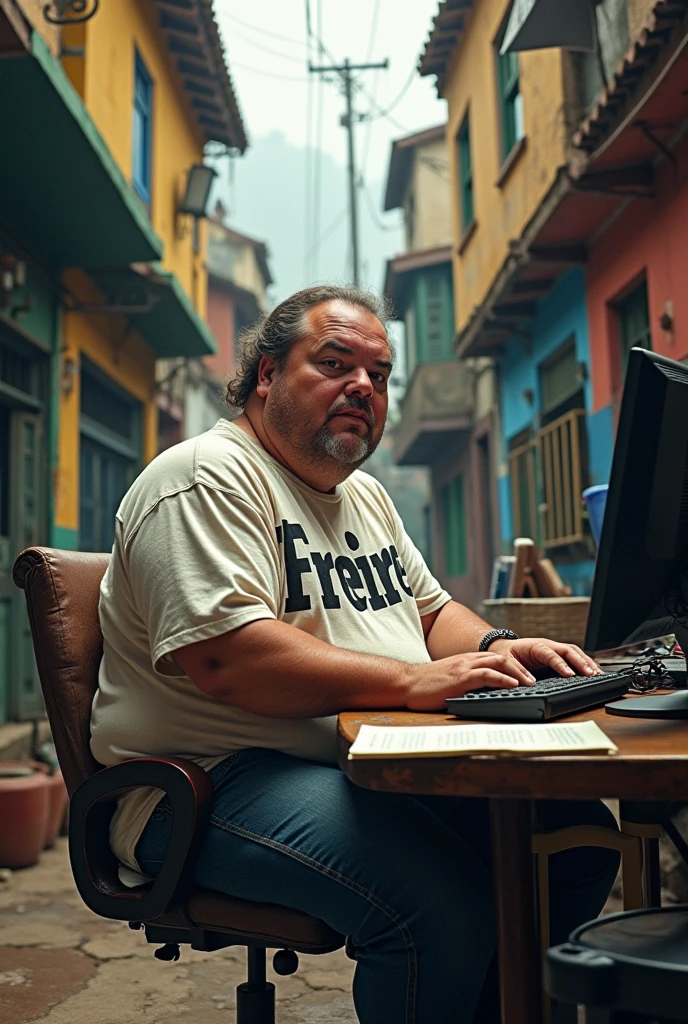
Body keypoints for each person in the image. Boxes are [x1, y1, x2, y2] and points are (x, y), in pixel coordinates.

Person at [90, 285, 619, 1024]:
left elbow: (434, 615)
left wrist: (502, 647)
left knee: (572, 841)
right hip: (210, 781)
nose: (362, 387)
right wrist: (412, 681)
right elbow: (232, 659)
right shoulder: (207, 476)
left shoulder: (363, 496)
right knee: (435, 904)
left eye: (380, 374)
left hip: (349, 764)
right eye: (335, 362)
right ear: (267, 375)